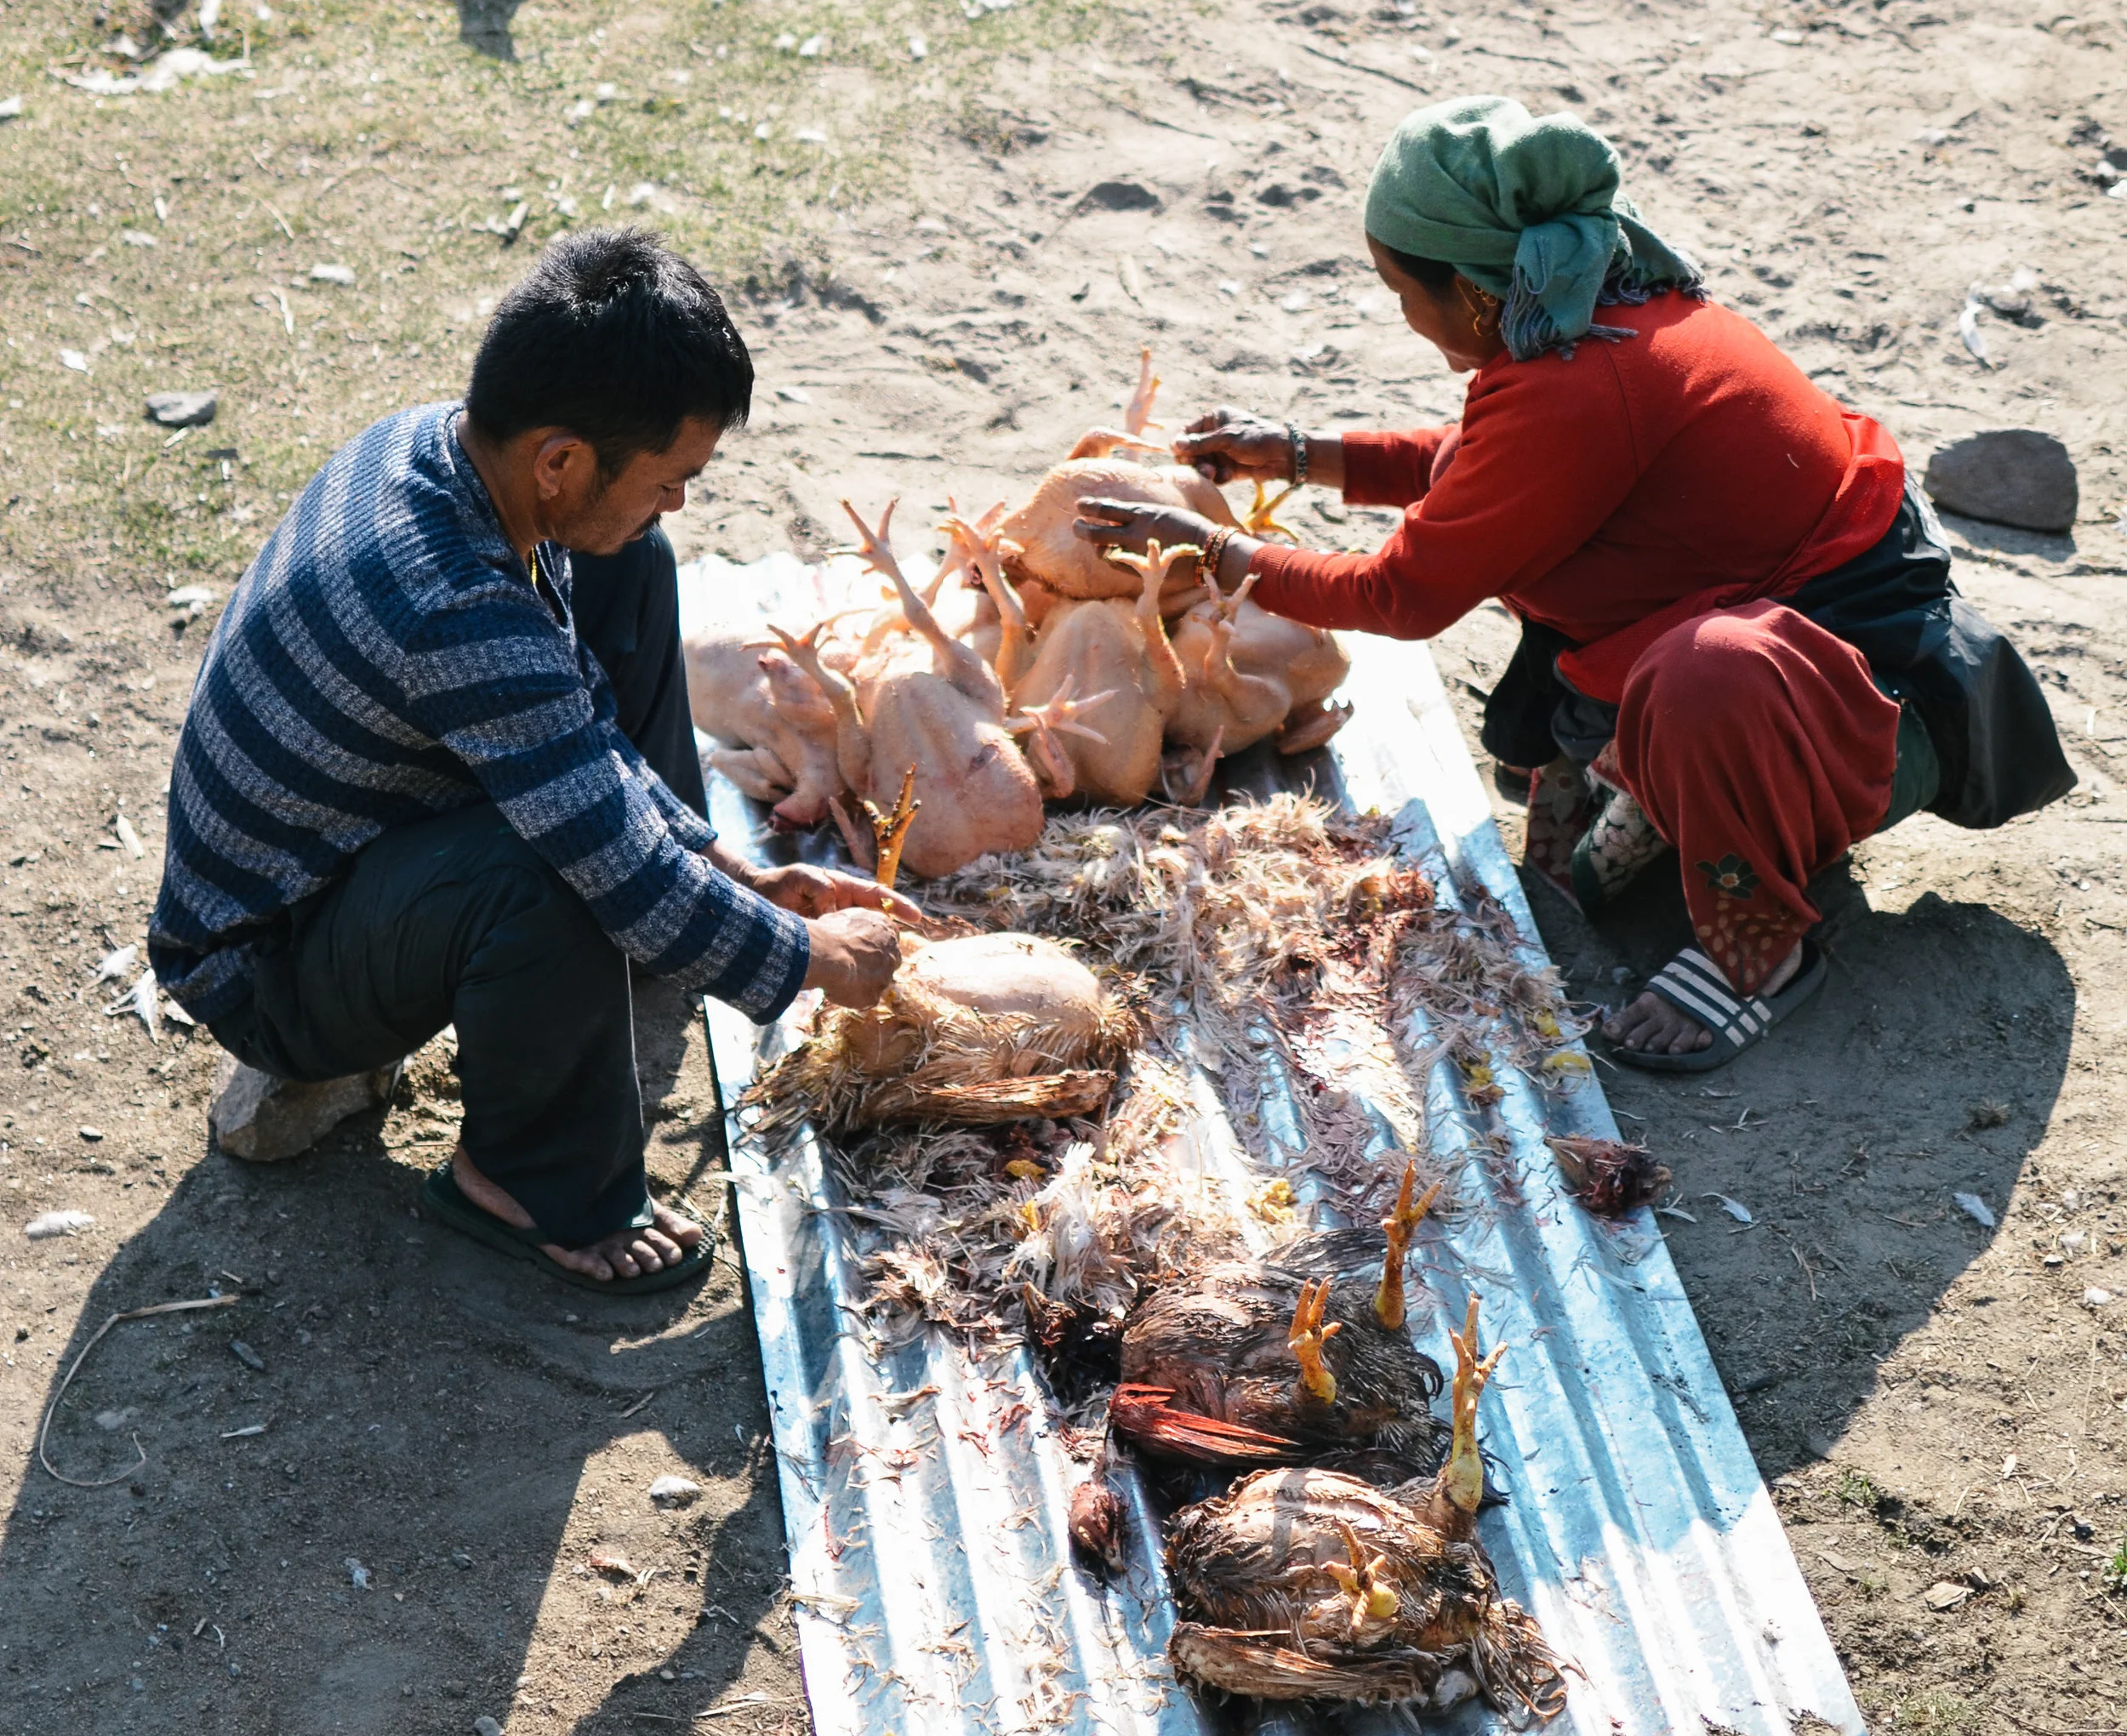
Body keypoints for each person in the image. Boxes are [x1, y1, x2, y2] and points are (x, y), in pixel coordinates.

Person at [1078, 96, 2072, 1077]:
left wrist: (1218, 554)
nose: (1401, 313)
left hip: (1866, 690)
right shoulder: (1597, 305)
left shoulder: (1581, 383)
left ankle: (1758, 947)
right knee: (1601, 825)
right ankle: (1689, 787)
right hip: (1790, 638)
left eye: (1397, 289)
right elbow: (1486, 466)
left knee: (1706, 674)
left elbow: (1402, 597)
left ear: (1468, 292)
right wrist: (1298, 453)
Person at [151, 229, 901, 1290]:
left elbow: (578, 726)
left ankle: (652, 945)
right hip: (263, 960)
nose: (682, 495)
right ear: (560, 460)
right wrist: (818, 960)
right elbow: (602, 844)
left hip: (356, 843)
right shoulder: (456, 608)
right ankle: (523, 1182)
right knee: (554, 869)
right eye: (671, 473)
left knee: (628, 558)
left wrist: (742, 880)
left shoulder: (429, 444)